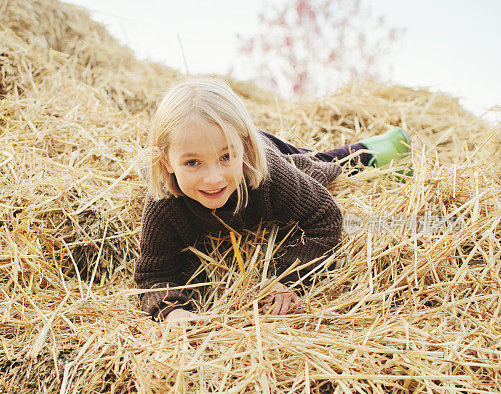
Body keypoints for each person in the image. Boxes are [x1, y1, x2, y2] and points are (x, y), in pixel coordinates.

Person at [135, 76, 411, 325]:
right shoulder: (164, 203)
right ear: (166, 161)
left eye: (225, 156)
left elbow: (325, 215)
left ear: (243, 147)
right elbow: (154, 274)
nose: (214, 178)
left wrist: (288, 280)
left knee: (321, 163)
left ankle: (379, 149)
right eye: (193, 162)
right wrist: (171, 310)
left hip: (276, 153)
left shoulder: (268, 174)